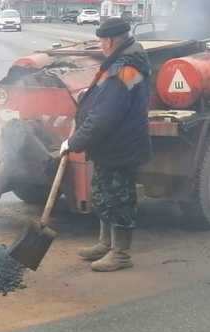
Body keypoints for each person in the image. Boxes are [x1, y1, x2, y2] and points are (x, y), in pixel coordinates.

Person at [60, 18, 152, 272]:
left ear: (110, 41)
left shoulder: (126, 68)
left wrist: (74, 142)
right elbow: (110, 99)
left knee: (119, 198)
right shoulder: (123, 62)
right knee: (103, 192)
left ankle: (120, 253)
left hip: (121, 146)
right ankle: (105, 243)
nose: (100, 44)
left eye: (102, 40)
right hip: (112, 145)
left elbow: (107, 114)